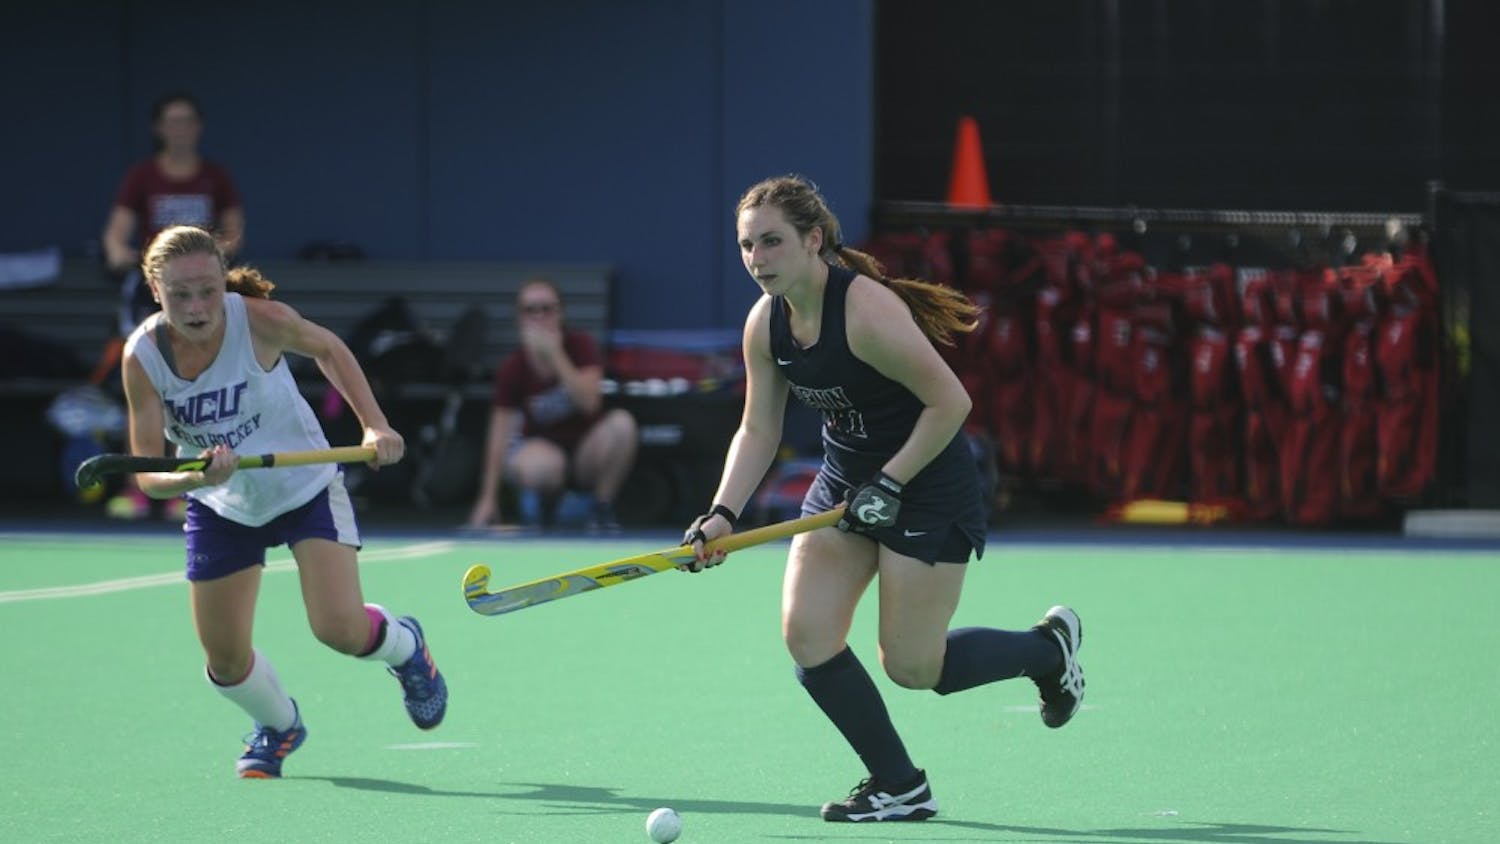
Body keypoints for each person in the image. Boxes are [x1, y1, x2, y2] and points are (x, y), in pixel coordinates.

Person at [681, 175, 1085, 822]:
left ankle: (1047, 652)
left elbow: (951, 402)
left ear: (814, 240)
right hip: (847, 487)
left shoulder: (865, 313)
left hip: (926, 488)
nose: (757, 259)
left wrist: (892, 483)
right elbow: (759, 428)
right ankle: (899, 784)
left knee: (915, 668)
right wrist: (722, 513)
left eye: (773, 242)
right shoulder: (766, 324)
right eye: (747, 246)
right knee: (808, 635)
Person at [118, 225, 447, 779]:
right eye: (180, 295)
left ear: (223, 281)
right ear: (155, 290)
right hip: (222, 505)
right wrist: (196, 478)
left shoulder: (260, 322)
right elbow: (150, 477)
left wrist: (374, 426)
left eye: (207, 290)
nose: (197, 307)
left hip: (304, 488)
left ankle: (406, 647)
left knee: (338, 629)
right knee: (224, 660)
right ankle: (279, 726)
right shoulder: (142, 358)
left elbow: (330, 349)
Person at [101, 92, 246, 521]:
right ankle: (145, 485)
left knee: (199, 392)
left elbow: (234, 232)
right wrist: (130, 259)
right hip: (155, 301)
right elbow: (116, 236)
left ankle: (190, 483)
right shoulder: (142, 176)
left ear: (198, 128)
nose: (180, 129)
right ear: (159, 129)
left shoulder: (214, 177)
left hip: (200, 299)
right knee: (150, 388)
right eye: (172, 121)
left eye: (187, 121)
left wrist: (201, 270)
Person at [467, 278, 638, 532]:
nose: (540, 317)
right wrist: (488, 498)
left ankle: (601, 509)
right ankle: (547, 511)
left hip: (585, 453)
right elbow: (499, 434)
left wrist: (555, 355)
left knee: (623, 425)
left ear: (561, 313)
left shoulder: (581, 346)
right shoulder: (513, 368)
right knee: (543, 466)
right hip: (543, 453)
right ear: (520, 318)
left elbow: (590, 403)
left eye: (547, 309)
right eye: (531, 310)